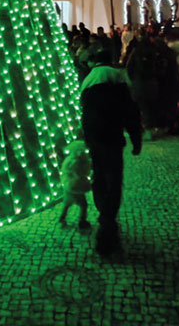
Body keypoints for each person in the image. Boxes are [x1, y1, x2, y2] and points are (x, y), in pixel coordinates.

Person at [79, 44, 144, 257]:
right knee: (114, 179)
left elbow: (84, 113)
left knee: (98, 176)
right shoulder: (118, 78)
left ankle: (103, 214)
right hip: (113, 137)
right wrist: (136, 138)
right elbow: (130, 111)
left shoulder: (88, 80)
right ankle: (108, 219)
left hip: (94, 137)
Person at [124, 29, 159, 138]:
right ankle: (151, 128)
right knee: (150, 106)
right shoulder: (154, 52)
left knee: (141, 107)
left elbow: (129, 67)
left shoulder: (136, 52)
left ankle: (144, 129)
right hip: (152, 82)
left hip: (139, 82)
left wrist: (132, 79)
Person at [153, 31, 179, 135]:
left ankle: (173, 126)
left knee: (169, 106)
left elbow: (164, 71)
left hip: (167, 84)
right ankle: (174, 126)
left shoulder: (164, 56)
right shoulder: (170, 54)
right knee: (171, 106)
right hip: (172, 83)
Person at [57, 136, 93, 231]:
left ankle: (62, 217)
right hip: (76, 186)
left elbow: (64, 170)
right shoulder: (80, 162)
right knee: (83, 205)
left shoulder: (68, 160)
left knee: (67, 202)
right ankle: (82, 221)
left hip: (68, 185)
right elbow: (83, 173)